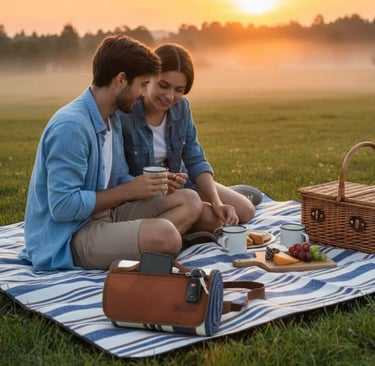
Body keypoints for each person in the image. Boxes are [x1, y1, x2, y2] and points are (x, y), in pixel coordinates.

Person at [20, 35, 203, 271]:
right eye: (143, 84)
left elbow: (117, 179)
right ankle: (153, 245)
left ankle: (141, 246)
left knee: (189, 199)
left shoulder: (112, 118)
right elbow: (63, 206)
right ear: (121, 80)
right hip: (71, 235)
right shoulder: (72, 127)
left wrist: (152, 184)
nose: (143, 93)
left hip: (106, 215)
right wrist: (130, 190)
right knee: (166, 235)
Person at [120, 43, 260, 233]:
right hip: (147, 195)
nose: (170, 96)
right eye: (163, 86)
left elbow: (195, 158)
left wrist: (217, 202)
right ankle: (193, 214)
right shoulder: (126, 113)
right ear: (148, 78)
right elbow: (118, 176)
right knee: (216, 222)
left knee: (245, 211)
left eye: (179, 89)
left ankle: (228, 194)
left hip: (181, 184)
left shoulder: (181, 107)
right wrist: (157, 185)